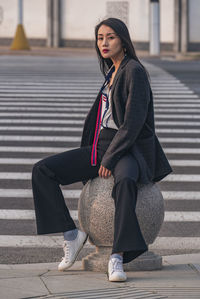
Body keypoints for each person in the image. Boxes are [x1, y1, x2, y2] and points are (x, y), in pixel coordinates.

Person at [31, 17, 172, 282]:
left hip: (127, 148)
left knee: (126, 181)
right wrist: (99, 151)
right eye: (100, 38)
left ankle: (117, 257)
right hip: (101, 146)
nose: (104, 43)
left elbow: (132, 123)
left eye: (110, 37)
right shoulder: (112, 70)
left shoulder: (134, 71)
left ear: (123, 41)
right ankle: (72, 235)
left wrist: (111, 156)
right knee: (42, 171)